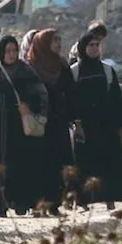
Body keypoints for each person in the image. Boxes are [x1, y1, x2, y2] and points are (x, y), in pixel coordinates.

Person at [0, 35, 49, 217]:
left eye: (14, 51)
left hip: (18, 129)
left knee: (20, 165)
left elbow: (41, 96)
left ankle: (21, 202)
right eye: (8, 51)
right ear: (1, 51)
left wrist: (29, 107)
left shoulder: (26, 71)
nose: (11, 54)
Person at [71, 30, 122, 210]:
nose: (95, 48)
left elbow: (116, 100)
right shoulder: (74, 72)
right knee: (84, 166)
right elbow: (71, 101)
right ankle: (83, 203)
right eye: (91, 45)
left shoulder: (107, 70)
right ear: (83, 47)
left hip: (106, 127)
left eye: (97, 45)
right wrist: (76, 123)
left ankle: (109, 200)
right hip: (85, 129)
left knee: (108, 165)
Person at [26, 27, 78, 214]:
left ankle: (55, 203)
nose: (58, 44)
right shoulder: (31, 67)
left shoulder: (62, 66)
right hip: (38, 124)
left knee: (59, 164)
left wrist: (74, 118)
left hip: (59, 122)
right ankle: (38, 204)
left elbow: (71, 94)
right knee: (38, 164)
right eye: (54, 40)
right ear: (43, 43)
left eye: (59, 40)